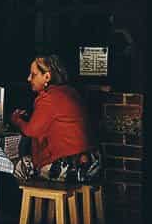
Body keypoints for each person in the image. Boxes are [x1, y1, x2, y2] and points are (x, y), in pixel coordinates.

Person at [10, 54, 101, 182]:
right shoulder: (71, 92)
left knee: (17, 166)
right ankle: (52, 200)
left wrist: (17, 120)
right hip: (91, 163)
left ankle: (37, 200)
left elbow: (31, 131)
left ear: (47, 76)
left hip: (70, 167)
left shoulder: (48, 98)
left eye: (33, 74)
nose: (29, 78)